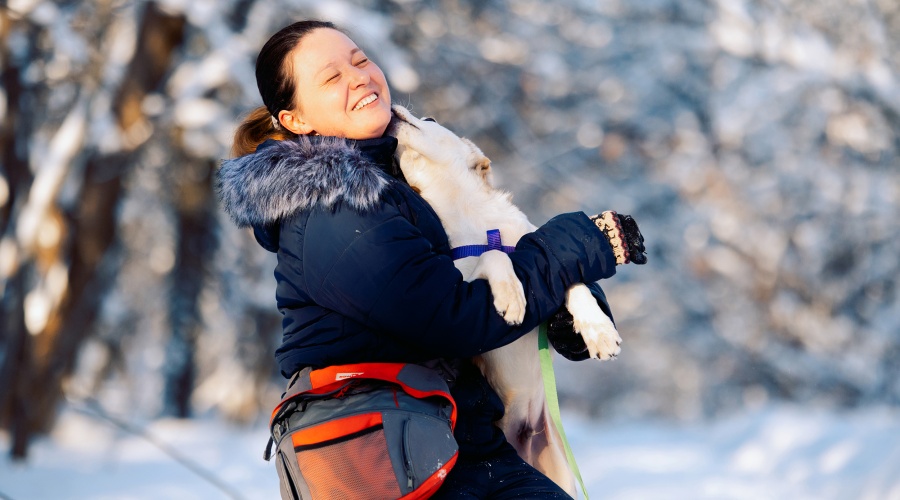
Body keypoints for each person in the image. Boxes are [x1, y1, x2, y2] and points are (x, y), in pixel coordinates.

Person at [216, 20, 645, 499]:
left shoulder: (397, 181)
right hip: (395, 459)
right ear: (295, 120)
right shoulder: (330, 205)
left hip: (452, 443)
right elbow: (450, 315)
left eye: (360, 60)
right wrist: (578, 245)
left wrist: (565, 309)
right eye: (331, 77)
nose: (358, 77)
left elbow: (480, 267)